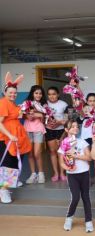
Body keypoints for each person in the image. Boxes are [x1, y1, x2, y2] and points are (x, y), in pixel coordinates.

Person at [0, 72, 31, 204]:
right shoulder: (3, 103)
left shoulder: (14, 104)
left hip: (17, 136)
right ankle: (4, 190)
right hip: (6, 138)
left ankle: (12, 180)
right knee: (8, 163)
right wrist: (10, 135)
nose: (13, 95)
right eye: (10, 92)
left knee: (17, 159)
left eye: (15, 93)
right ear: (5, 92)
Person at [58, 120, 93, 232]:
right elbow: (61, 162)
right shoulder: (64, 144)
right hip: (72, 175)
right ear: (66, 130)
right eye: (72, 127)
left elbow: (89, 158)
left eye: (76, 126)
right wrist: (67, 168)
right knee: (76, 197)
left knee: (86, 197)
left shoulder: (82, 142)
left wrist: (76, 155)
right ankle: (69, 218)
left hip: (84, 173)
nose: (75, 128)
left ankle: (88, 221)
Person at [24, 85, 47, 184]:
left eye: (40, 93)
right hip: (28, 129)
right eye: (36, 93)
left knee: (37, 153)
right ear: (32, 93)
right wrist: (40, 114)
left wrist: (39, 114)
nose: (38, 95)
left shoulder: (44, 105)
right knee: (29, 153)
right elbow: (29, 117)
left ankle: (41, 173)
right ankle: (33, 174)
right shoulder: (26, 103)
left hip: (38, 129)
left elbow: (44, 119)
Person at [45, 87, 68, 182]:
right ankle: (56, 173)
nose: (52, 96)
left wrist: (58, 123)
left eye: (54, 94)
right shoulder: (45, 104)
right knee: (52, 152)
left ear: (58, 94)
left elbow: (67, 119)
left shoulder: (64, 104)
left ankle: (62, 173)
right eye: (49, 94)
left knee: (61, 152)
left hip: (61, 130)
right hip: (49, 130)